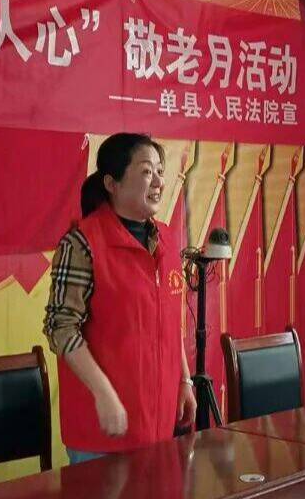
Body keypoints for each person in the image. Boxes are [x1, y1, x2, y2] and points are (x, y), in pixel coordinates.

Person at [45, 133, 196, 465]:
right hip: (103, 432)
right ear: (112, 183)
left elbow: (169, 320)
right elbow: (60, 327)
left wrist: (184, 380)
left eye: (160, 171)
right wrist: (104, 392)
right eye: (146, 171)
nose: (158, 181)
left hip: (158, 425)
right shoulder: (82, 243)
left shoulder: (166, 239)